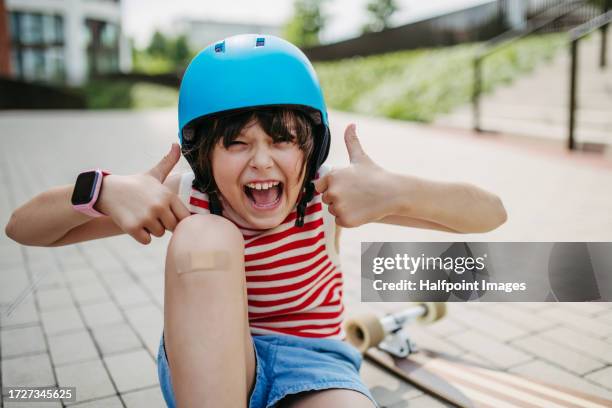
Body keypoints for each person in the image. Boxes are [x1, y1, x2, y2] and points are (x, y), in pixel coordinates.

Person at [5, 34, 507, 408]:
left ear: (312, 147)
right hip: (209, 366)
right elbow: (22, 228)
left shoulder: (326, 191)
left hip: (315, 368)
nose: (262, 162)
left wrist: (397, 190)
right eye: (238, 143)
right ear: (203, 155)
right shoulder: (186, 196)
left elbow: (489, 214)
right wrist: (103, 189)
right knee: (204, 234)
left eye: (282, 140)